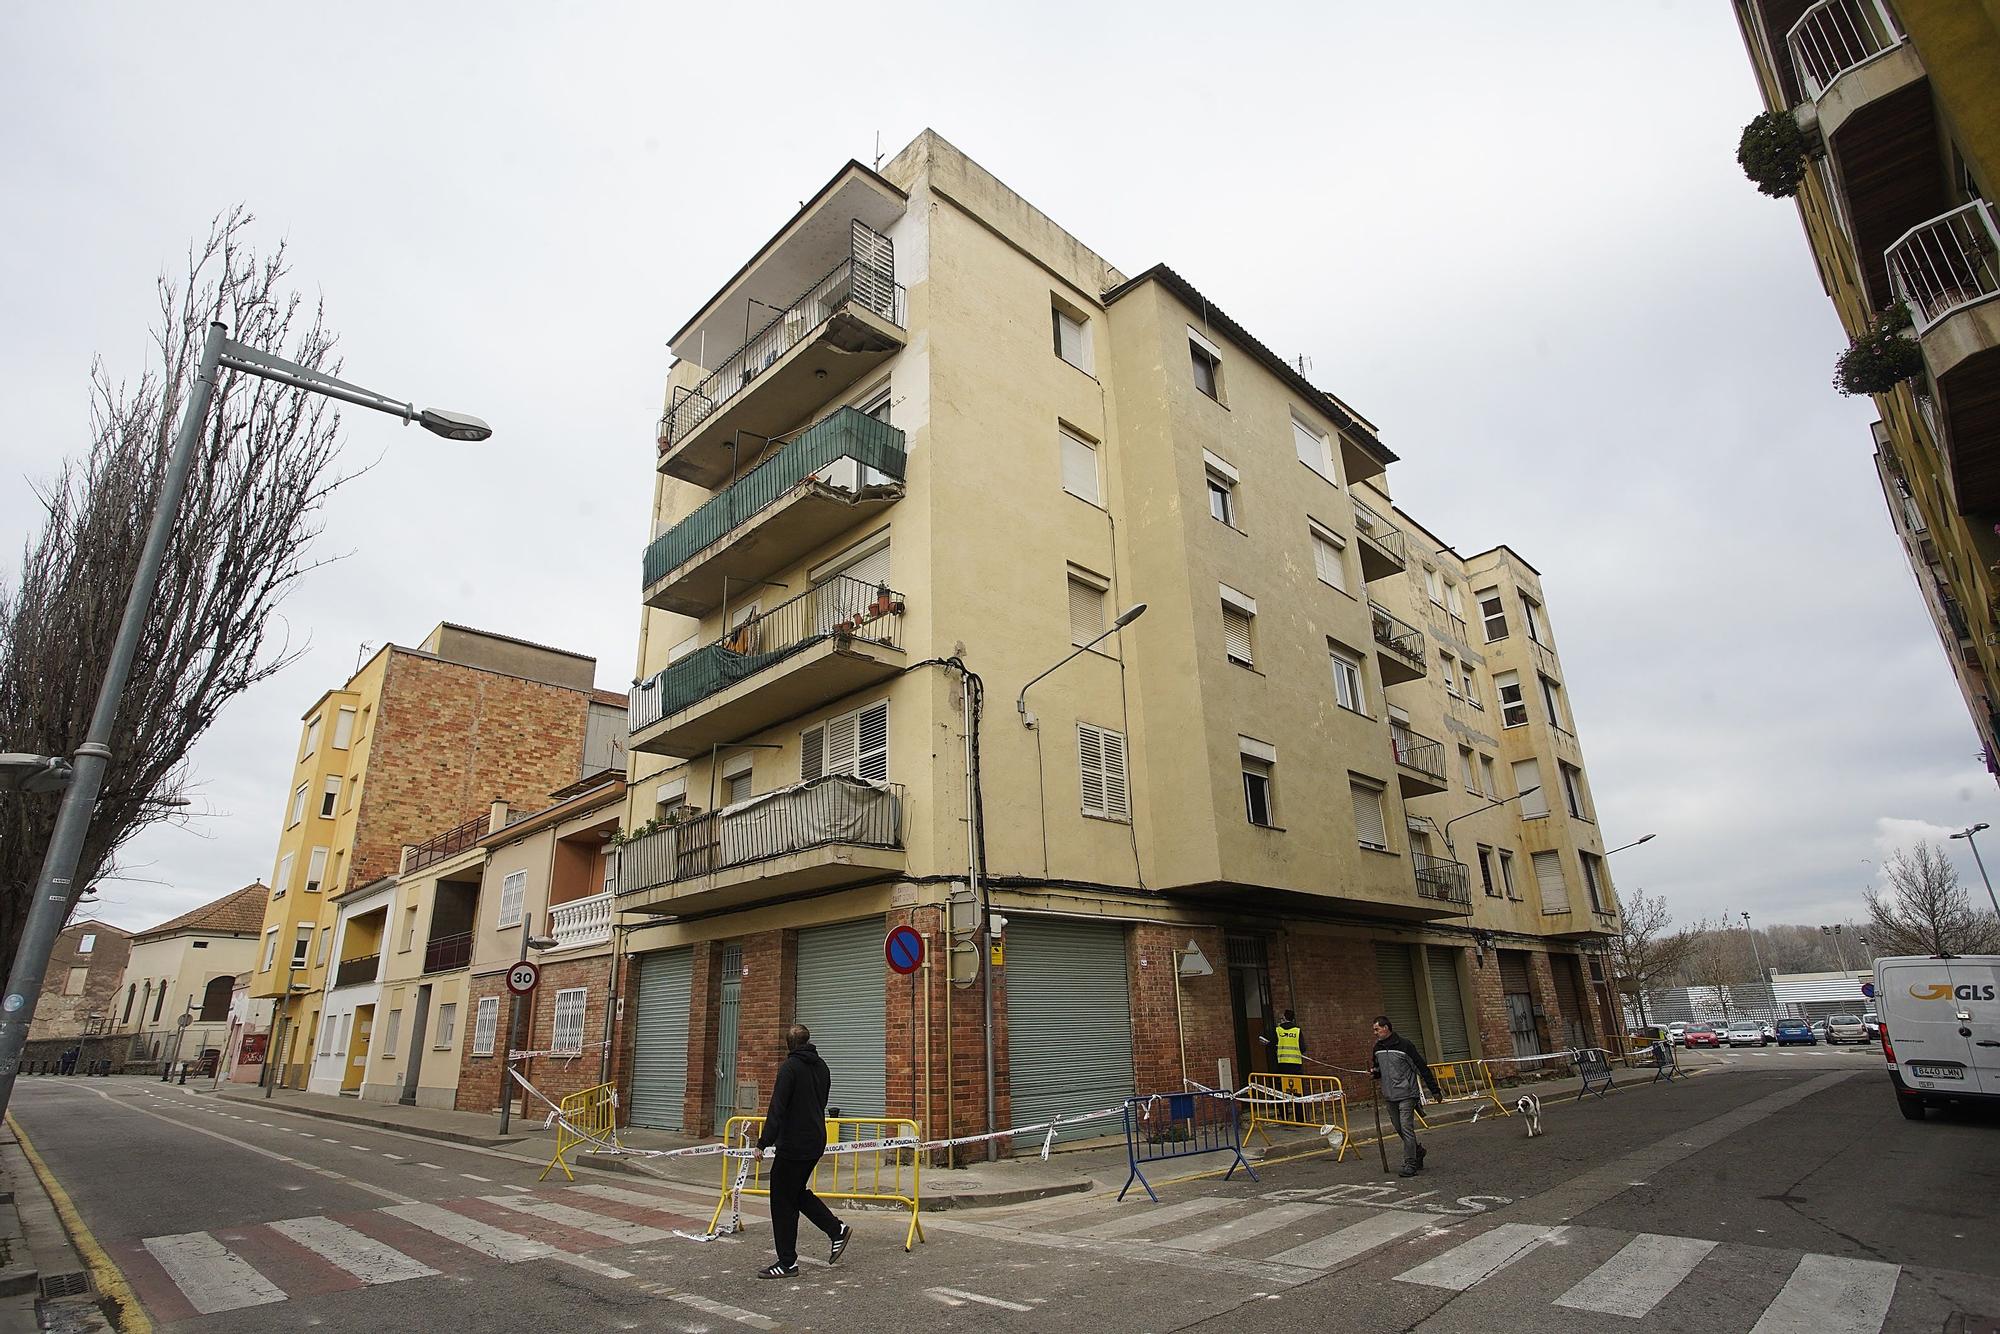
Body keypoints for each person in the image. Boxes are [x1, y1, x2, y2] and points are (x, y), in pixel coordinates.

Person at [754, 1023, 853, 1279]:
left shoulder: (789, 1068)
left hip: (794, 1144)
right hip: (815, 1139)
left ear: (788, 1044)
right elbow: (822, 1101)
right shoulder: (822, 1066)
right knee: (795, 1192)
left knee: (781, 1198)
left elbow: (778, 1107)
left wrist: (763, 1142)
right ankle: (836, 1230)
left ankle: (787, 1262)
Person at [1370, 1015, 1442, 1178]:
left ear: (1386, 1028)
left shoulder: (1405, 1045)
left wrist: (1434, 1089)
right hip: (1389, 1095)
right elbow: (1377, 1068)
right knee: (1398, 1128)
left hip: (1407, 1094)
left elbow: (1421, 1067)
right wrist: (1375, 1073)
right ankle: (1418, 1151)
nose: (1375, 1033)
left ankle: (1410, 1163)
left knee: (1406, 1127)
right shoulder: (1377, 1048)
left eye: (1377, 1029)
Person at [1273, 1010, 1305, 1090]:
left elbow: (1272, 1045)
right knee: (1297, 1087)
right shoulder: (1297, 1031)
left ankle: (1285, 1102)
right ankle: (1297, 1102)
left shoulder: (1278, 1030)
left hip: (1283, 1064)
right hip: (1296, 1065)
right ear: (1293, 1019)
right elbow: (1303, 1048)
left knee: (1284, 1087)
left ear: (1284, 1018)